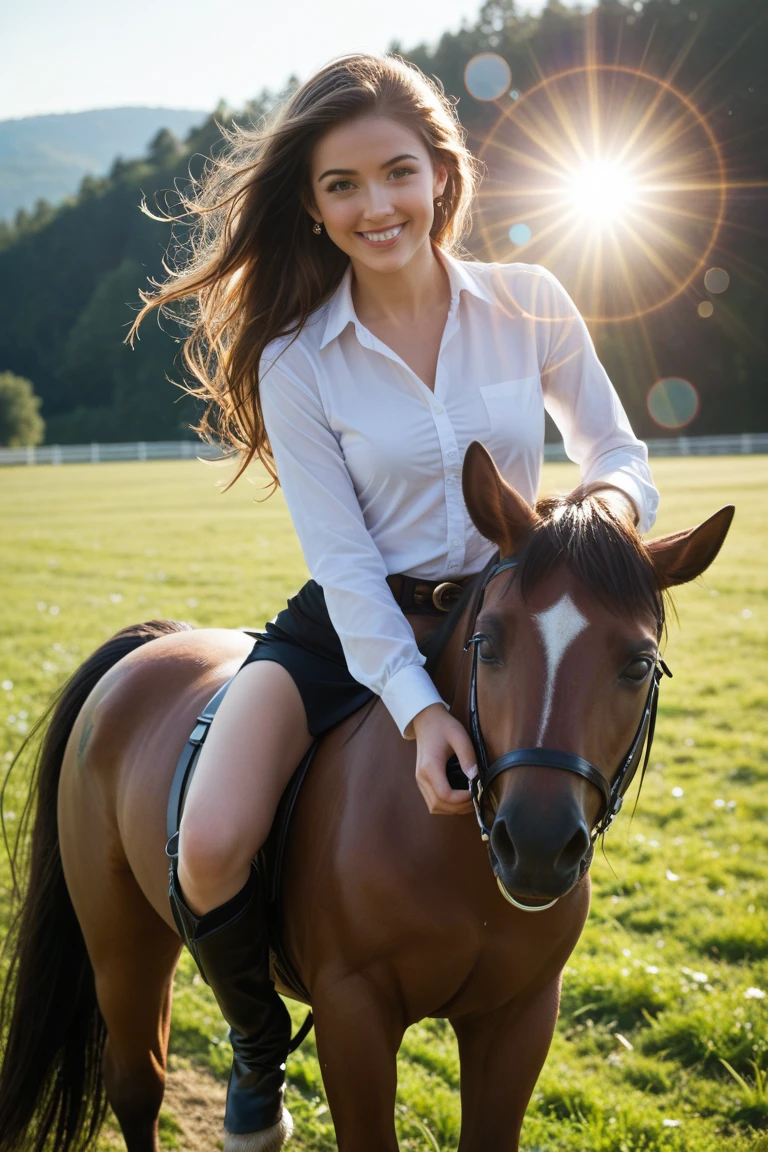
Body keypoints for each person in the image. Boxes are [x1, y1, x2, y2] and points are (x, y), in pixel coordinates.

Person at [128, 51, 659, 1146]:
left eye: (397, 173)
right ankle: (255, 1048)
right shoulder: (298, 357)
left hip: (515, 615)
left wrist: (595, 514)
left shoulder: (531, 302)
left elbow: (615, 446)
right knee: (212, 841)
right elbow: (346, 563)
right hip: (355, 622)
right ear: (312, 209)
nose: (378, 206)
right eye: (342, 185)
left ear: (443, 178)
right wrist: (420, 713)